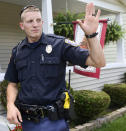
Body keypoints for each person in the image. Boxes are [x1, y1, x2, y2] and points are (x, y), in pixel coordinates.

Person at [4, 2, 105, 131]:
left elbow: (99, 62)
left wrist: (91, 35)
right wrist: (10, 105)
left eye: (38, 20)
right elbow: (12, 84)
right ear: (22, 26)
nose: (35, 24)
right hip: (27, 122)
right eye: (30, 21)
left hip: (54, 121)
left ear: (42, 22)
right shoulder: (17, 51)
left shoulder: (59, 44)